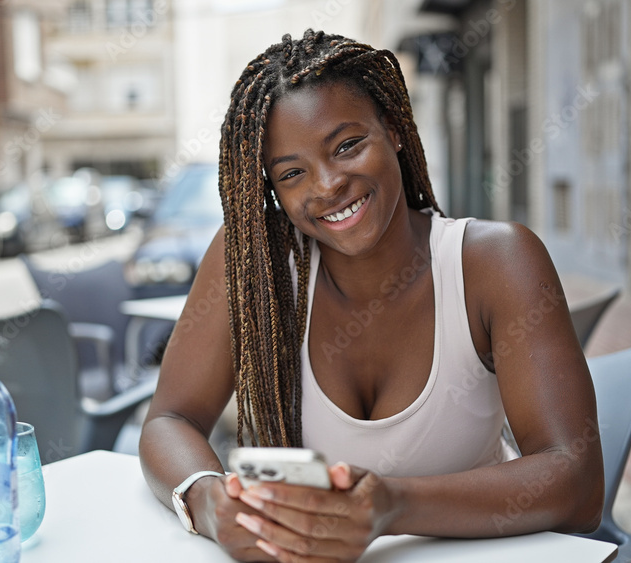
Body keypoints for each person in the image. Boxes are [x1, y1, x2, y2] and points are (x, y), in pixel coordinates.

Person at [139, 29, 603, 562]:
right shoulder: (251, 264)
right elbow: (169, 419)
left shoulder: (495, 262)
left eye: (347, 145)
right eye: (292, 173)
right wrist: (208, 500)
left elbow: (578, 483)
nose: (327, 184)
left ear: (394, 129)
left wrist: (390, 506)